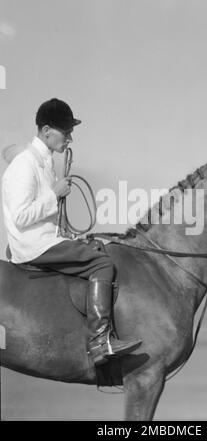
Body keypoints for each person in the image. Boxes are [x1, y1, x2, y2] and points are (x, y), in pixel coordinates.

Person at [2, 98, 142, 367]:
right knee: (102, 263)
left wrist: (66, 234)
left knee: (100, 248)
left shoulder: (43, 163)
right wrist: (54, 195)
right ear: (46, 131)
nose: (70, 138)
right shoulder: (25, 164)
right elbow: (20, 216)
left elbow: (42, 216)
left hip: (44, 239)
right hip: (33, 245)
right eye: (66, 132)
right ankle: (99, 342)